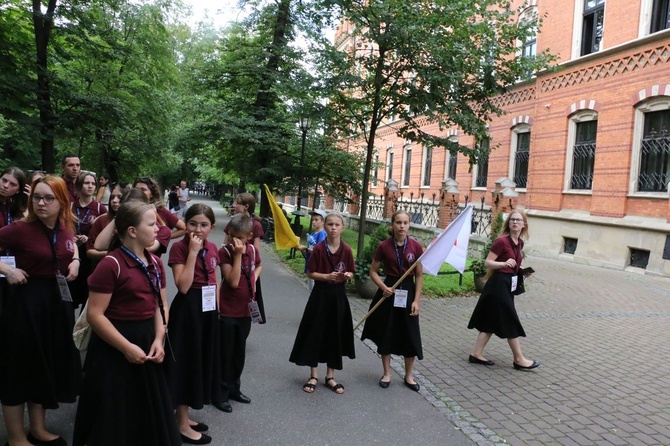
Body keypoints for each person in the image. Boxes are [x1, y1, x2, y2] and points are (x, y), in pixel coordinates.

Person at [73, 201, 181, 446]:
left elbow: (160, 305)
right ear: (132, 231)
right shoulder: (111, 265)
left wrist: (158, 340)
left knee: (145, 412)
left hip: (147, 342)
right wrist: (126, 348)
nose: (158, 229)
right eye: (152, 224)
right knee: (114, 414)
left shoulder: (155, 263)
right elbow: (95, 315)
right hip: (114, 347)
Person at [0, 175, 82, 446]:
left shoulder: (64, 225)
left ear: (62, 202)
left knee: (43, 367)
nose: (41, 203)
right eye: (37, 197)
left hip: (55, 305)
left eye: (49, 198)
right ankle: (15, 437)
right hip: (25, 307)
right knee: (18, 370)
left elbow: (71, 248)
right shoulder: (21, 229)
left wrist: (77, 261)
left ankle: (37, 428)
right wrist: (7, 269)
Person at [165, 204, 221, 445]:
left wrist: (217, 310)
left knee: (199, 360)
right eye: (192, 224)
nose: (198, 230)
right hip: (188, 311)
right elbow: (183, 286)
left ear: (212, 227)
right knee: (186, 363)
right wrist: (193, 253)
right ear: (185, 225)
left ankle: (183, 416)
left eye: (204, 225)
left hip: (207, 311)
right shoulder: (179, 248)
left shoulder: (213, 247)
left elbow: (214, 280)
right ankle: (181, 423)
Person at [289, 212, 356, 395]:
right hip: (320, 295)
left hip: (338, 297)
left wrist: (348, 275)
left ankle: (330, 376)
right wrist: (326, 276)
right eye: (330, 224)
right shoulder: (319, 249)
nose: (333, 227)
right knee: (315, 332)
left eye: (337, 224)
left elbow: (351, 270)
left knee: (334, 334)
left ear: (342, 228)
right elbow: (310, 273)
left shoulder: (347, 250)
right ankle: (313, 375)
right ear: (325, 227)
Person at [467, 210, 539, 371]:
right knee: (510, 319)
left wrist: (522, 271)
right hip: (498, 285)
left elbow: (514, 263)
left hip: (508, 285)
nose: (514, 222)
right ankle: (519, 359)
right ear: (508, 223)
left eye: (518, 220)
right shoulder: (501, 242)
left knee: (490, 321)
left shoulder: (519, 243)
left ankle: (476, 354)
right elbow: (488, 263)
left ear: (523, 224)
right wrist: (503, 264)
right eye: (512, 219)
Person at [361, 210, 424, 391]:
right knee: (386, 332)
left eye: (405, 222)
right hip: (389, 292)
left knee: (410, 334)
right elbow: (373, 271)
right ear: (392, 224)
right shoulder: (383, 246)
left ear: (409, 225)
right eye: (398, 222)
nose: (402, 226)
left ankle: (409, 375)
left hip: (408, 291)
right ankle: (387, 373)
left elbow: (419, 276)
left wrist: (417, 301)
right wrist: (383, 287)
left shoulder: (416, 247)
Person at [215, 214, 261, 413]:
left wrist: (253, 279)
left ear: (249, 236)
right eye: (232, 237)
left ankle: (235, 388)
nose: (236, 242)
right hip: (227, 310)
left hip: (245, 310)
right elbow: (232, 282)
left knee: (238, 353)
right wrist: (237, 255)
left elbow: (258, 265)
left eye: (240, 238)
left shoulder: (251, 249)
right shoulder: (225, 252)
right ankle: (221, 393)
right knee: (225, 354)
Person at [224, 192, 266, 323]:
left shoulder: (255, 224)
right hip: (232, 262)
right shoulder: (234, 222)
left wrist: (253, 275)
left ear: (246, 206)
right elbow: (225, 242)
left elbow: (256, 249)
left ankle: (245, 318)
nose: (234, 205)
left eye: (237, 203)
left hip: (248, 266)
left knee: (249, 294)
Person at [70, 172, 108, 308]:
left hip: (90, 257)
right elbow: (62, 228)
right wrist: (71, 236)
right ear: (79, 185)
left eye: (93, 184)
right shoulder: (70, 207)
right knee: (71, 294)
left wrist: (91, 237)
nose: (90, 186)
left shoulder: (99, 208)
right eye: (87, 183)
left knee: (88, 294)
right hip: (72, 254)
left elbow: (106, 232)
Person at [297, 210, 327, 292]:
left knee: (315, 290)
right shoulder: (314, 233)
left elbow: (319, 251)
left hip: (316, 266)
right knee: (311, 289)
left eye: (316, 220)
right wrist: (301, 248)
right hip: (310, 263)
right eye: (313, 219)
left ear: (323, 221)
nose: (313, 222)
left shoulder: (322, 234)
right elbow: (309, 249)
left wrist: (305, 248)